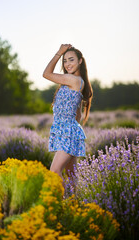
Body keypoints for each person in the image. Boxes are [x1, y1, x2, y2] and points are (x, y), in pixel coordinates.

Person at [43, 44, 93, 183]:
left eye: (71, 60)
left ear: (80, 61)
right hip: (68, 130)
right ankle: (74, 203)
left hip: (67, 131)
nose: (67, 64)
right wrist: (71, 128)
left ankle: (62, 203)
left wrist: (59, 52)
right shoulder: (74, 82)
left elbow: (46, 74)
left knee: (54, 172)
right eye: (65, 61)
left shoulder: (74, 80)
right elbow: (77, 114)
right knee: (71, 175)